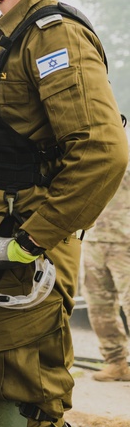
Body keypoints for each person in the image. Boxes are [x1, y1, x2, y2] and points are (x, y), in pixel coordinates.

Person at [0, 0, 128, 427]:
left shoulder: (52, 35)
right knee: (11, 392)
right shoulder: (12, 38)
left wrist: (29, 240)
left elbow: (103, 150)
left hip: (26, 254)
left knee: (26, 405)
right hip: (4, 249)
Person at [83, 162, 130, 382]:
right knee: (99, 307)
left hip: (125, 241)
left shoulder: (122, 156)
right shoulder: (86, 157)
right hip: (93, 240)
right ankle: (116, 363)